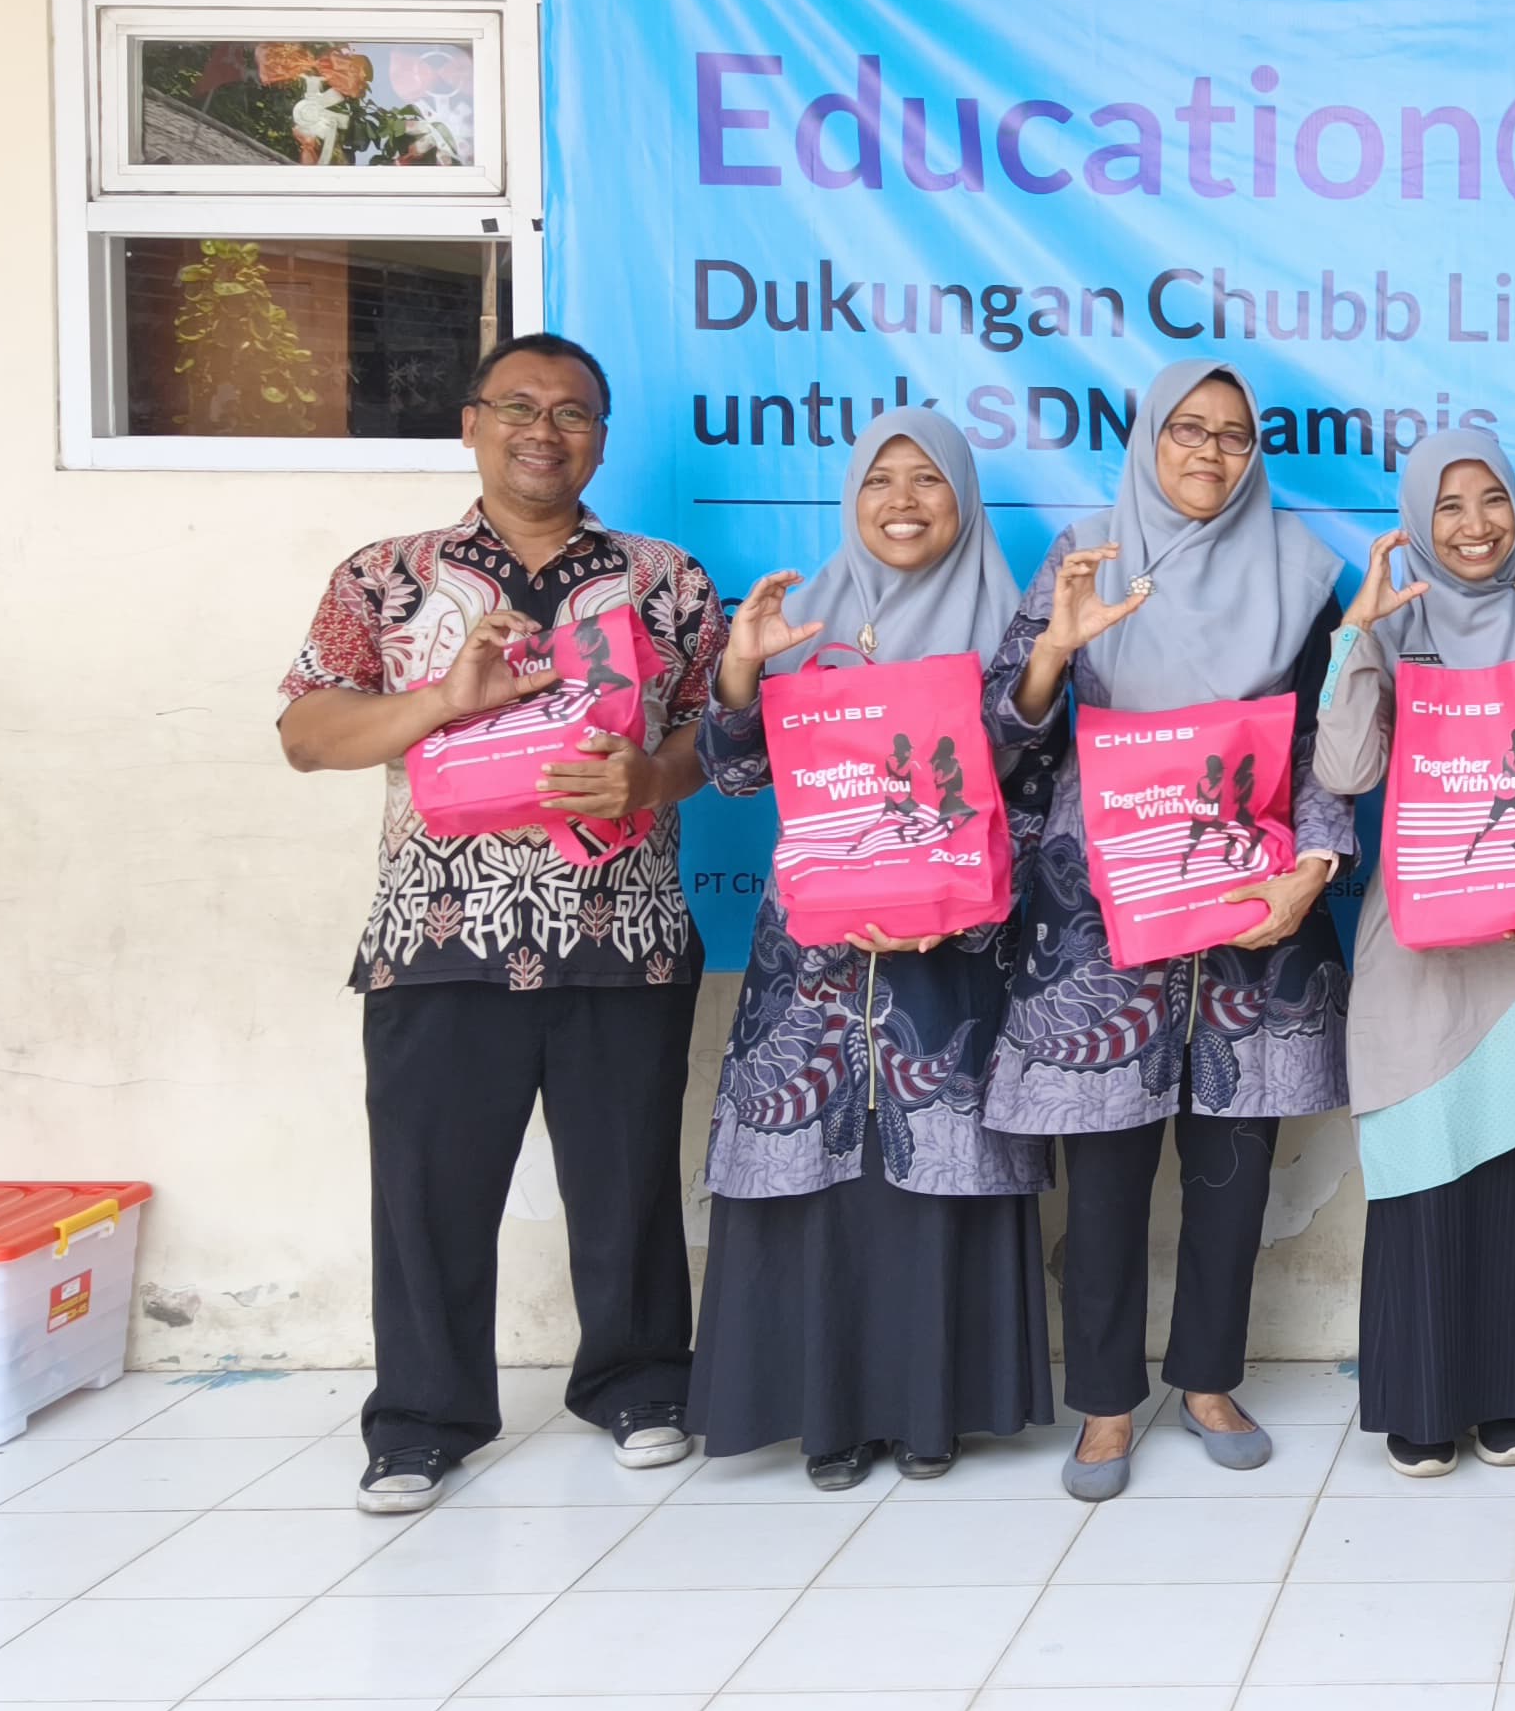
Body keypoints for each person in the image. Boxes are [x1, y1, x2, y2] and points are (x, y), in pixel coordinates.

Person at [275, 333, 721, 1516]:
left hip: (622, 933)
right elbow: (306, 734)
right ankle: (421, 1422)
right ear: (470, 423)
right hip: (438, 936)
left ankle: (640, 1385)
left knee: (627, 1184)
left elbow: (721, 738)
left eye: (572, 413)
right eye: (518, 407)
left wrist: (651, 779)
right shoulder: (384, 577)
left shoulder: (667, 579)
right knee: (428, 1194)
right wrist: (437, 700)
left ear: (601, 441)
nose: (543, 431)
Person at [985, 360, 1356, 1500]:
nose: (1209, 452)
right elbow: (1003, 737)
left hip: (1251, 917)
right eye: (1188, 429)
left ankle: (1206, 1380)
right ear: (1148, 439)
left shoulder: (1301, 572)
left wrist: (1314, 869)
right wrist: (1056, 649)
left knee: (1231, 1167)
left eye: (1234, 436)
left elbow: (1325, 740)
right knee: (1102, 1174)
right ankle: (1106, 1402)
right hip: (1102, 916)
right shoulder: (1085, 558)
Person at [686, 408, 1048, 1491]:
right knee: (815, 1184)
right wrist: (741, 672)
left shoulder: (1013, 626)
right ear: (852, 498)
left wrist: (959, 913)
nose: (901, 500)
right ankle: (827, 1416)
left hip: (951, 958)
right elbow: (735, 775)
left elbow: (1032, 796)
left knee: (934, 1181)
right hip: (811, 968)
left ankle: (933, 1411)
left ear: (963, 499)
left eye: (927, 479)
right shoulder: (803, 622)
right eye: (880, 478)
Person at [1316, 430, 1515, 1476]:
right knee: (1424, 1156)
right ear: (1417, 519)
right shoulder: (1392, 621)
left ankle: (1514, 1391)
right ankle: (1421, 1395)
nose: (1473, 525)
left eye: (1491, 499)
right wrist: (1356, 637)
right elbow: (1346, 771)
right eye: (1448, 505)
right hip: (1421, 946)